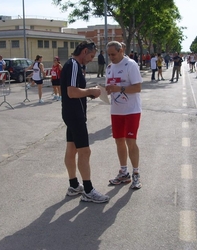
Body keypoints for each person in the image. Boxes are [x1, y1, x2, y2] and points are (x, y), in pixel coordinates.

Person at [60, 40, 109, 203]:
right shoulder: (73, 64)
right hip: (75, 114)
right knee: (85, 151)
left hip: (71, 113)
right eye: (91, 56)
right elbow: (72, 92)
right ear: (85, 51)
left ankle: (74, 185)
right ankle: (88, 190)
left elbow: (72, 91)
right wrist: (91, 91)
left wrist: (89, 93)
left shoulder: (72, 65)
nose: (91, 59)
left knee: (71, 148)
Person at [105, 41, 143, 189]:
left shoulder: (131, 65)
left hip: (131, 110)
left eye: (113, 54)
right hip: (116, 111)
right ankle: (124, 172)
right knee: (119, 141)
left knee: (130, 141)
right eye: (109, 55)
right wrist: (103, 90)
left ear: (121, 51)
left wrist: (119, 88)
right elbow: (110, 86)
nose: (111, 57)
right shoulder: (109, 68)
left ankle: (136, 173)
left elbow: (138, 87)